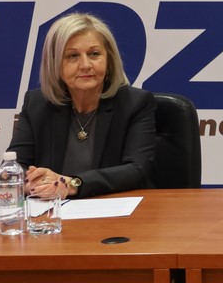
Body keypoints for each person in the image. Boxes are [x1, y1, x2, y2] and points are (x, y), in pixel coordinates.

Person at [9, 12, 157, 200]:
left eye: (94, 54)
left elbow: (137, 170)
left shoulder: (135, 103)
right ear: (55, 64)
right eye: (72, 56)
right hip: (53, 212)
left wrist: (72, 184)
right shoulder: (37, 104)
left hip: (115, 210)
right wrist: (32, 184)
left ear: (109, 60)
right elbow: (14, 168)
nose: (85, 65)